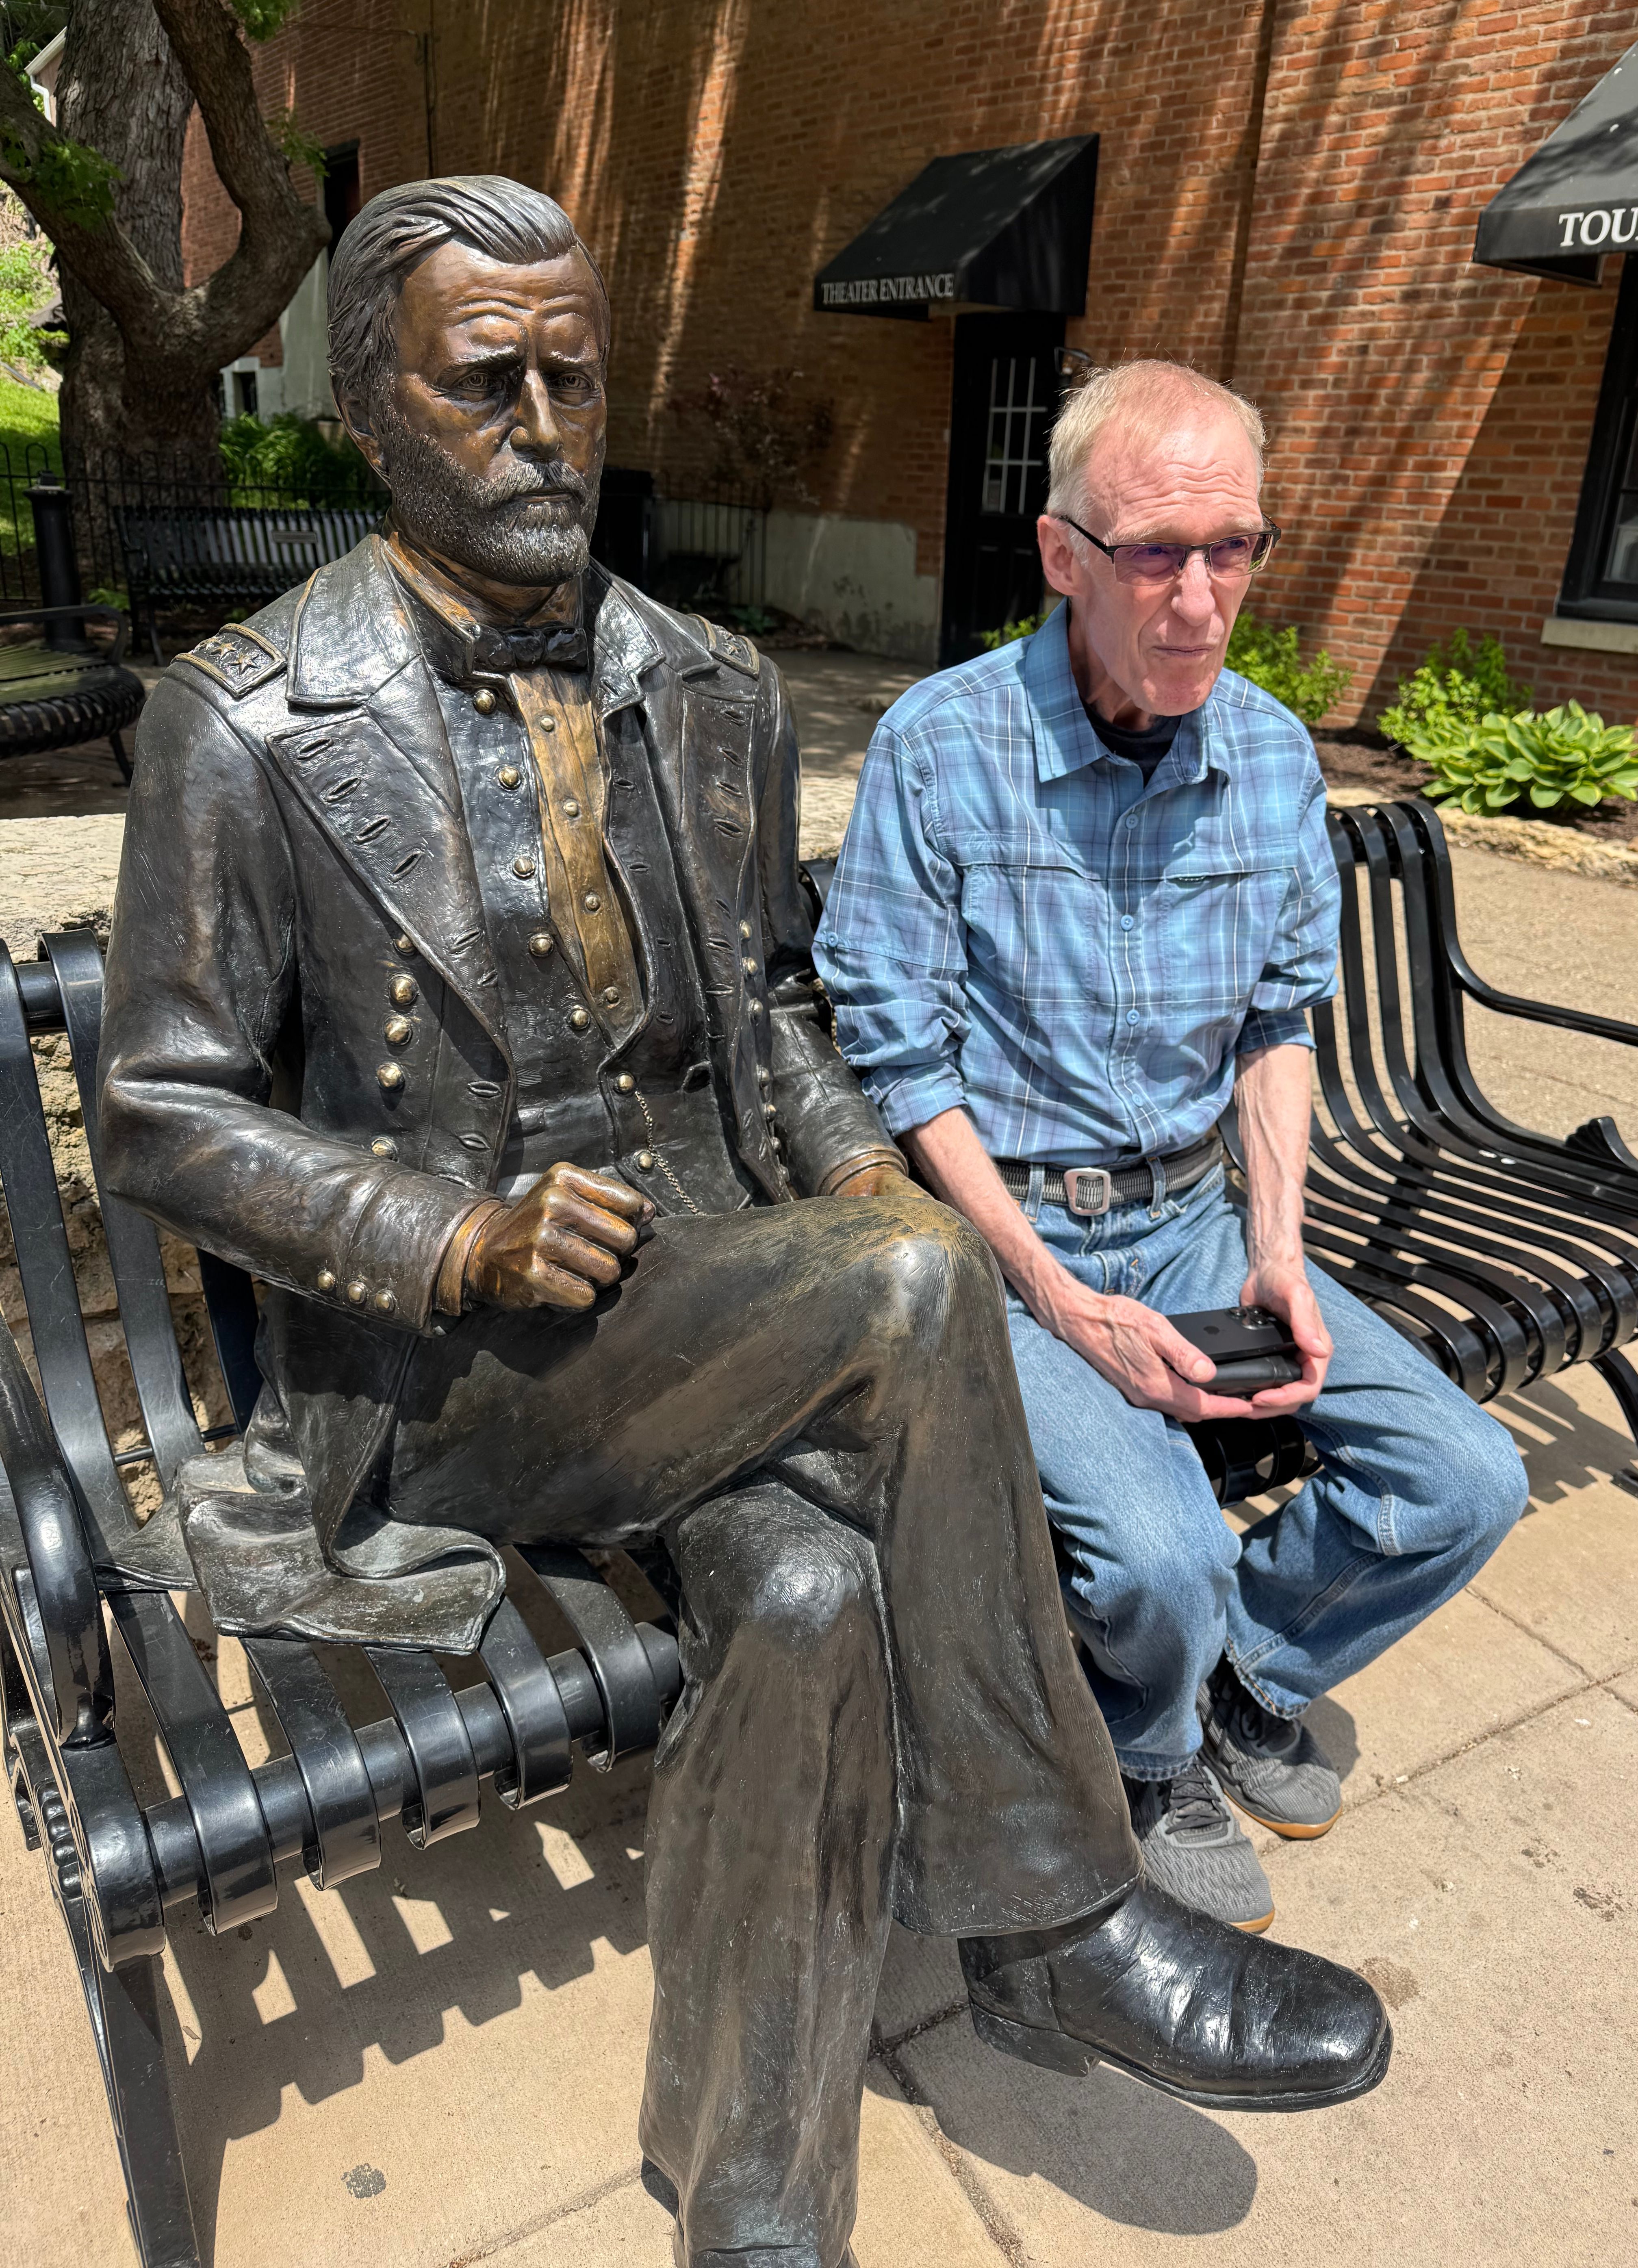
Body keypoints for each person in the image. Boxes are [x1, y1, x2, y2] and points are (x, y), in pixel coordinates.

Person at [98, 197, 1390, 2268]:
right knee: (910, 1281)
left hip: (723, 1308)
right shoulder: (242, 721)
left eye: (574, 376)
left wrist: (851, 1154)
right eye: (480, 380)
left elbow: (769, 1011)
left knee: (799, 1588)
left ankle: (752, 2183)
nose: (543, 426)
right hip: (453, 1378)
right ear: (367, 410)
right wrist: (451, 1236)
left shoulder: (699, 681)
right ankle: (1050, 1902)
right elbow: (158, 1115)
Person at [817, 357, 1529, 1938]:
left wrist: (1276, 1248)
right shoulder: (941, 750)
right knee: (1160, 1556)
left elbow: (1283, 1022)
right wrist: (1064, 1308)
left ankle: (1242, 1684)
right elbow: (903, 1069)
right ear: (1065, 553)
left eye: (1236, 548)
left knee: (1466, 1480)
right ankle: (1147, 1760)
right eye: (1157, 553)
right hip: (1007, 1256)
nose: (1203, 599)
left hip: (1202, 1225)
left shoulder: (1271, 755)